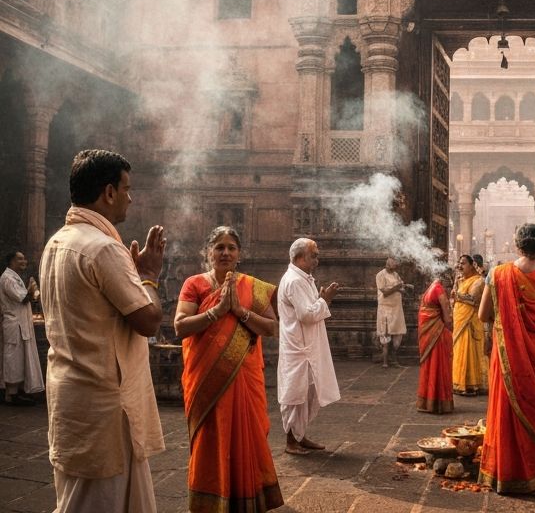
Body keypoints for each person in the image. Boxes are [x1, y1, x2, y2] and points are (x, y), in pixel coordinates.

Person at [38, 149, 166, 512]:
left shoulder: (58, 242)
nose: (130, 197)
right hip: (106, 408)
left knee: (75, 497)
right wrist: (150, 276)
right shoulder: (103, 248)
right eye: (127, 188)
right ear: (108, 192)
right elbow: (148, 320)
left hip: (72, 396)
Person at [174, 225, 282, 513]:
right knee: (212, 436)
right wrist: (215, 312)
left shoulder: (252, 286)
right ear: (208, 252)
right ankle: (210, 500)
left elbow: (272, 327)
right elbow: (180, 326)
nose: (225, 252)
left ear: (239, 254)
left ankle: (247, 498)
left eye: (231, 247)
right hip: (207, 378)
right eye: (219, 247)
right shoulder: (194, 284)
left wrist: (241, 312)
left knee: (245, 435)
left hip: (244, 376)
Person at [478, 223, 535, 495]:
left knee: (509, 410)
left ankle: (506, 473)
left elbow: (485, 314)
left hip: (510, 353)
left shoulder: (498, 274)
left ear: (517, 245)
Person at [277, 237, 340, 455]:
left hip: (307, 346)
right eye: (314, 255)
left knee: (309, 393)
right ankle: (291, 441)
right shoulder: (294, 281)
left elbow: (308, 308)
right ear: (299, 258)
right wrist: (326, 300)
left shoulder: (304, 279)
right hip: (298, 348)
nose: (317, 259)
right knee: (296, 394)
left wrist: (320, 298)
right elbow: (305, 314)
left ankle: (300, 435)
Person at [1, 250, 43, 406]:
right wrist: (32, 289)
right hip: (14, 325)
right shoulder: (8, 279)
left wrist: (30, 288)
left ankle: (17, 391)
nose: (24, 261)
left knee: (19, 358)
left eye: (24, 258)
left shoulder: (13, 277)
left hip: (19, 325)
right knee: (13, 359)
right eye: (20, 259)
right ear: (11, 261)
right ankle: (11, 394)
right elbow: (24, 298)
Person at [417, 267, 454, 414]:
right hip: (438, 334)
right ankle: (439, 402)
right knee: (439, 366)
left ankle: (427, 402)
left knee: (430, 366)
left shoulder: (430, 288)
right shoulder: (439, 290)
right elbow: (447, 317)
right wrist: (451, 326)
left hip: (429, 334)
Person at [451, 254, 487, 396]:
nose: (460, 266)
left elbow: (473, 300)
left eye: (463, 263)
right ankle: (460, 382)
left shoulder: (478, 281)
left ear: (473, 265)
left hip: (470, 323)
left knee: (469, 352)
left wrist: (457, 296)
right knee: (460, 351)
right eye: (459, 263)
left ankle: (472, 384)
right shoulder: (462, 280)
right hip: (461, 321)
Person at [375, 256, 408, 368]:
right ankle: (385, 361)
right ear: (388, 265)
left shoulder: (395, 274)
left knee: (397, 332)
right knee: (385, 332)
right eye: (393, 266)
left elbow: (401, 288)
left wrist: (403, 288)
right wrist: (397, 287)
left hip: (396, 307)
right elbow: (385, 292)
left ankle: (394, 360)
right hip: (385, 308)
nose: (395, 268)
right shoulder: (380, 275)